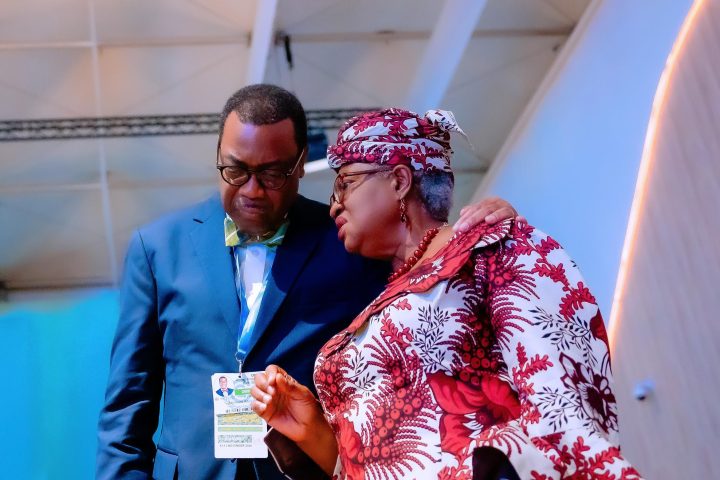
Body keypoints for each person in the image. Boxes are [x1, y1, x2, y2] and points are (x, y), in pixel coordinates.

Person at [95, 85, 517, 480]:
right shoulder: (156, 248)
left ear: (301, 164)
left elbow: (426, 268)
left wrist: (481, 230)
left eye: (273, 174)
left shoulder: (346, 238)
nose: (252, 190)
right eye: (235, 170)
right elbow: (129, 402)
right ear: (217, 156)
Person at [251, 108, 642, 479]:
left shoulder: (494, 250)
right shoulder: (371, 303)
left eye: (346, 183)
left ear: (399, 180)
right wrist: (313, 430)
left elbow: (562, 408)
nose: (334, 204)